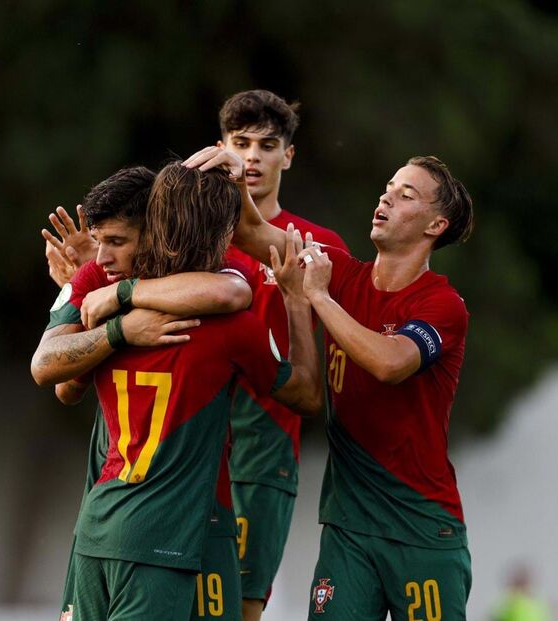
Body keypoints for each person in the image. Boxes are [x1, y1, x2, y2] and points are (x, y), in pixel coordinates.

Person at [184, 147, 474, 620]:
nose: (385, 199)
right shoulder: (340, 270)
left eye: (405, 195)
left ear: (435, 226)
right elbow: (252, 232)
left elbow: (390, 363)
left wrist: (316, 296)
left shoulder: (442, 305)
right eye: (387, 188)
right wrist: (237, 185)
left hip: (421, 528)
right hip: (348, 526)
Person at [35, 162, 323, 620]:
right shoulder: (225, 322)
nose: (101, 256)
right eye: (100, 242)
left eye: (115, 242)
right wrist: (297, 301)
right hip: (158, 534)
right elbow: (306, 396)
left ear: (156, 232)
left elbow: (231, 290)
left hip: (123, 520)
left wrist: (119, 306)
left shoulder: (112, 291)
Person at [217, 89, 350, 621]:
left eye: (267, 144)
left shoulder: (317, 244)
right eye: (240, 143)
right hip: (193, 438)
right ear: (221, 147)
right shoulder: (195, 238)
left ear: (288, 155)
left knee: (245, 607)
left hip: (265, 448)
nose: (252, 156)